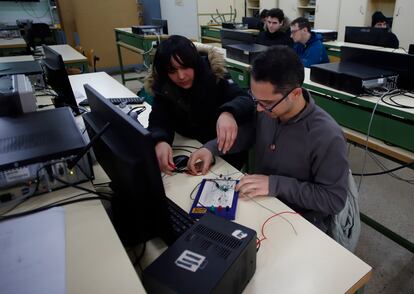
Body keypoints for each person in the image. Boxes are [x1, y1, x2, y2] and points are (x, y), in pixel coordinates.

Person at [187, 46, 348, 234]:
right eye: (256, 99)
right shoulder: (267, 110)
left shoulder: (327, 135)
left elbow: (333, 199)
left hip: (298, 220)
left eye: (268, 103)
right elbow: (249, 133)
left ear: (296, 94)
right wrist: (212, 148)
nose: (259, 109)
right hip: (259, 202)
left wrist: (275, 185)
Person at [145, 35, 255, 174]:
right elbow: (159, 119)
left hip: (222, 151)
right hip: (190, 145)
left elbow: (244, 99)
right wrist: (160, 141)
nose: (181, 76)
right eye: (172, 71)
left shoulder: (214, 75)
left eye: (185, 67)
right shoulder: (164, 86)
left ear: (194, 63)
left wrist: (228, 113)